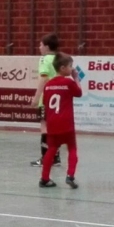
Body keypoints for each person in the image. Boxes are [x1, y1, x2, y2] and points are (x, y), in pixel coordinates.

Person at [39, 53, 82, 189]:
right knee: (72, 148)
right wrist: (76, 78)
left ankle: (44, 178)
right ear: (63, 68)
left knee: (51, 149)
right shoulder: (68, 82)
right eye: (70, 66)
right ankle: (70, 175)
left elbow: (45, 103)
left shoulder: (48, 85)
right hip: (66, 123)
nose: (72, 68)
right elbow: (79, 93)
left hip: (52, 123)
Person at [30, 34, 62, 167]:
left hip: (47, 98)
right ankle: (56, 157)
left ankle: (46, 158)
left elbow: (43, 78)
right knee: (55, 128)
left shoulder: (45, 59)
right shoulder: (60, 58)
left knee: (45, 127)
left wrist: (36, 98)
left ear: (47, 47)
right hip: (59, 98)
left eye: (41, 45)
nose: (39, 47)